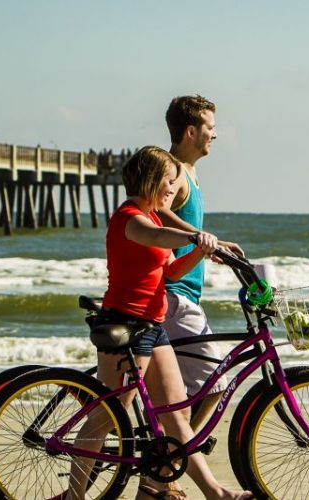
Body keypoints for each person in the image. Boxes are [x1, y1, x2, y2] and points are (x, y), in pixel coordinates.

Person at [66, 146, 251, 500]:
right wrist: (194, 237)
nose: (171, 190)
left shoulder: (152, 218)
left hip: (153, 326)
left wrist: (200, 251)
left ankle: (216, 493)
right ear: (151, 180)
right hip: (124, 326)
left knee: (176, 418)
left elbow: (170, 270)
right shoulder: (130, 218)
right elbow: (153, 239)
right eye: (168, 182)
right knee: (107, 416)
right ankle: (75, 497)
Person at [157, 95, 244, 430]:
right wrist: (202, 238)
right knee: (215, 384)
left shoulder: (188, 171)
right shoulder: (174, 170)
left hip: (181, 295)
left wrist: (213, 244)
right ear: (191, 131)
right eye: (211, 127)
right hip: (174, 296)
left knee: (175, 392)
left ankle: (163, 469)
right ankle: (179, 457)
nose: (216, 135)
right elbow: (157, 210)